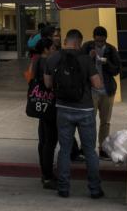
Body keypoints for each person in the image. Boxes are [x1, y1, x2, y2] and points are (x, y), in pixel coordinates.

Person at [45, 29, 104, 199]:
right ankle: (94, 189)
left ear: (65, 41)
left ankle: (63, 188)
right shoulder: (85, 59)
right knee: (90, 151)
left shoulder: (53, 58)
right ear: (79, 42)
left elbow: (48, 84)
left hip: (63, 109)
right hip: (85, 110)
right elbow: (98, 85)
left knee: (64, 150)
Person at [81, 26, 121, 157]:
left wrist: (106, 62)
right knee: (88, 120)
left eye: (102, 41)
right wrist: (89, 57)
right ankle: (87, 147)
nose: (100, 44)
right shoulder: (87, 47)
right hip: (91, 90)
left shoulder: (111, 49)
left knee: (105, 121)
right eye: (98, 41)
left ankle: (103, 148)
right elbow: (79, 65)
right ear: (93, 39)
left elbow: (116, 70)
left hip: (107, 90)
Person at [31, 37, 59, 189]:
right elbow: (49, 84)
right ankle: (48, 176)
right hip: (49, 105)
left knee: (43, 140)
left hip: (41, 105)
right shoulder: (46, 63)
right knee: (50, 141)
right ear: (47, 49)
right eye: (53, 48)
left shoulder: (36, 61)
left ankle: (45, 172)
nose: (55, 51)